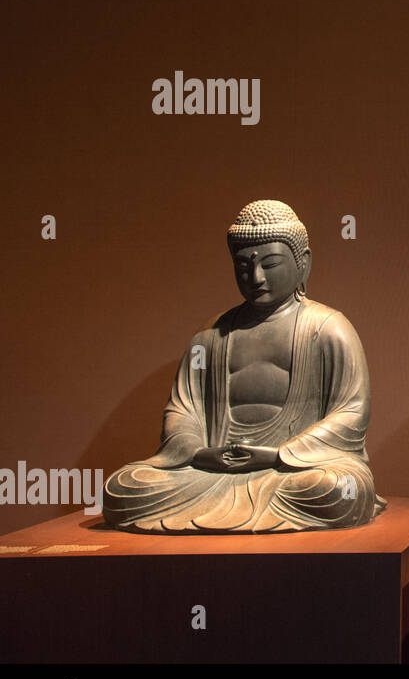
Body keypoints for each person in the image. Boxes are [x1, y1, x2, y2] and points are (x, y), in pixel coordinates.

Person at [103, 200, 383, 532]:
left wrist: (279, 455)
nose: (256, 277)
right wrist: (200, 454)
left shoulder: (328, 329)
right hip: (210, 473)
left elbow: (351, 413)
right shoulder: (210, 337)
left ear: (303, 263)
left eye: (271, 263)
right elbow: (183, 410)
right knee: (125, 487)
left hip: (294, 470)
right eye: (242, 266)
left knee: (340, 490)